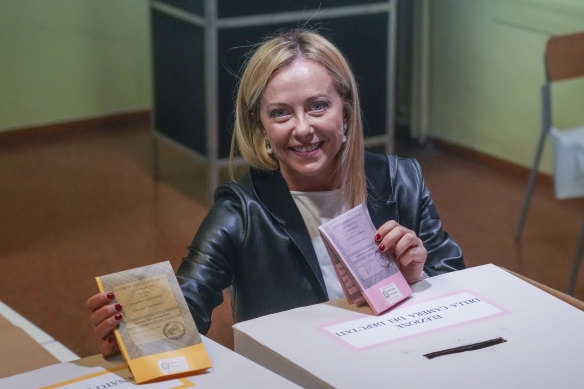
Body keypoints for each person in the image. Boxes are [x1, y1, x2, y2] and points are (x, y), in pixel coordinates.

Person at [87, 29, 464, 356]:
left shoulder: (400, 180)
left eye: (318, 106)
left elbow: (459, 285)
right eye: (281, 113)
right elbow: (190, 298)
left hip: (396, 357)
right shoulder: (242, 210)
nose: (302, 129)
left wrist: (420, 275)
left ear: (346, 112)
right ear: (261, 126)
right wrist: (137, 335)